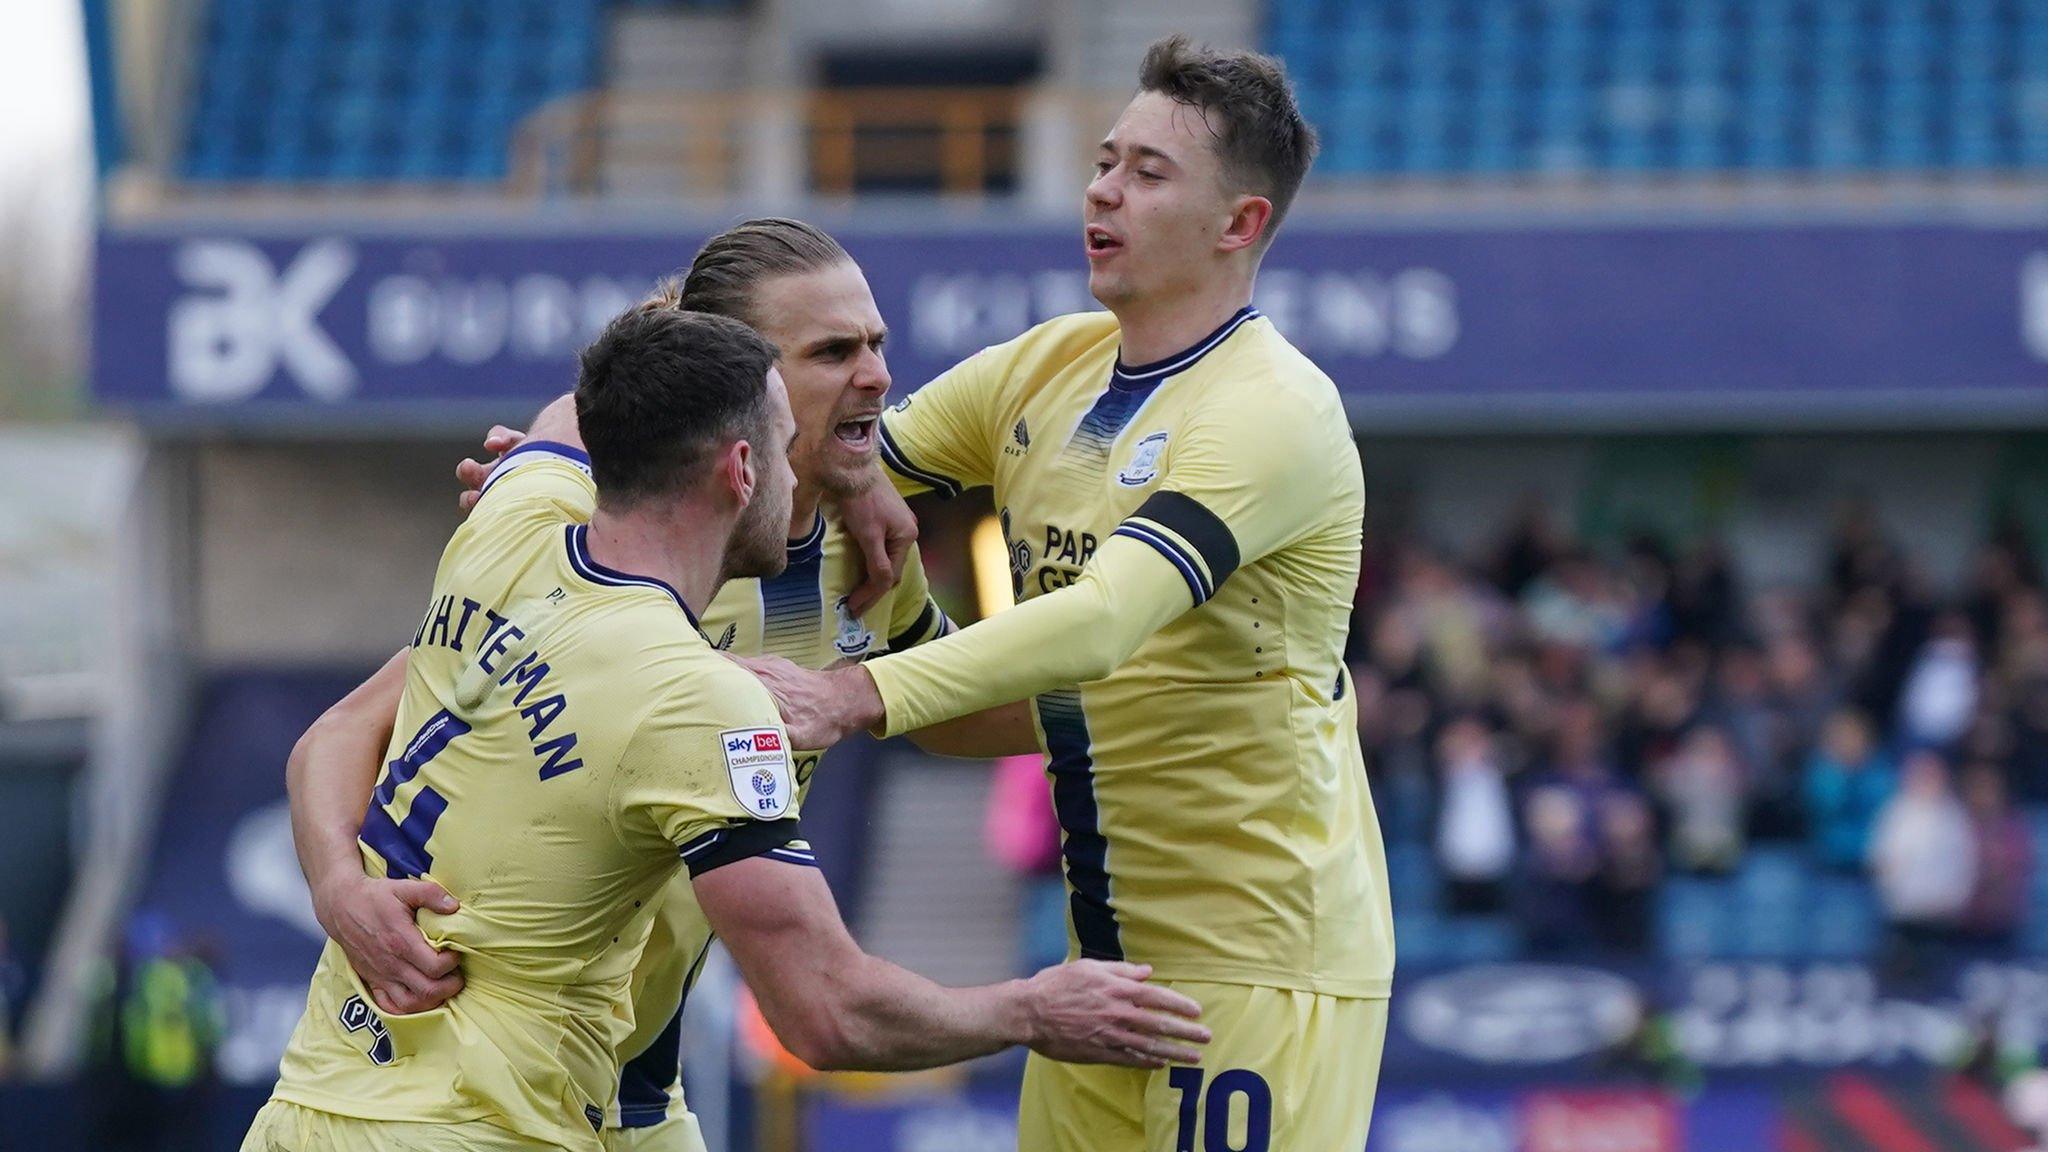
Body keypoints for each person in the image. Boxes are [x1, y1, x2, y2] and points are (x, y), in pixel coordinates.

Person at [244, 309, 1204, 1152]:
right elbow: (825, 1012)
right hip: (485, 1126)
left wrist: (859, 465)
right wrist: (1031, 1008)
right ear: (742, 468)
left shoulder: (515, 517)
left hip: (317, 1103)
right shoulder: (700, 700)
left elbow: (598, 398)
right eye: (787, 443)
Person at [746, 36, 1394, 1151]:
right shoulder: (1044, 367)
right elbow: (799, 447)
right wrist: (570, 462)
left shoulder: (1272, 408)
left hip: (1255, 970)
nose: (1102, 189)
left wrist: (852, 694)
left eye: (1149, 173)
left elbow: (1098, 621)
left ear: (1238, 225)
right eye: (1105, 160)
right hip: (1098, 972)